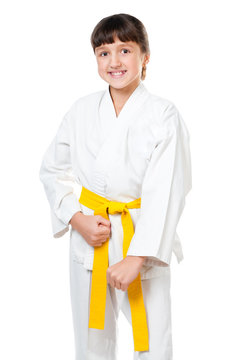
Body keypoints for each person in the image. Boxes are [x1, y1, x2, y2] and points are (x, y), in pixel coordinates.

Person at [39, 13, 192, 360]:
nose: (114, 61)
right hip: (92, 236)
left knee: (152, 339)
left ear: (145, 56)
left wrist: (137, 256)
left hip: (142, 236)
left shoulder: (163, 115)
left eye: (125, 50)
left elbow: (168, 189)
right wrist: (76, 219)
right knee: (91, 339)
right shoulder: (80, 111)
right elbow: (51, 170)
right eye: (104, 52)